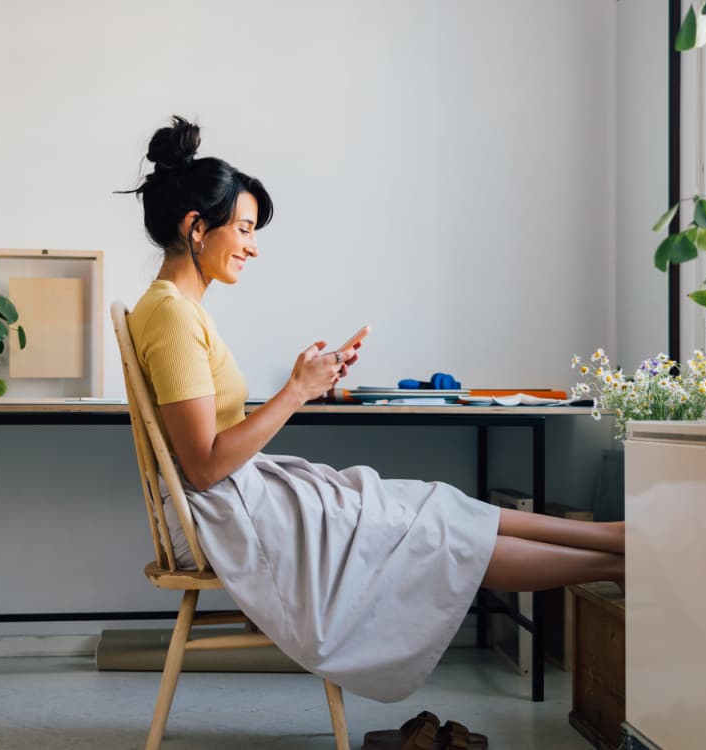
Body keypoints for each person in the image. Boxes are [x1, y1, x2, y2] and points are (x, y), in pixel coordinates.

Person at [123, 116, 624, 703]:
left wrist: (303, 381)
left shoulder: (177, 310)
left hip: (241, 498)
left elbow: (210, 449)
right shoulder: (173, 316)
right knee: (433, 533)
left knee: (433, 505)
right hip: (221, 514)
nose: (253, 246)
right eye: (245, 229)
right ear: (196, 228)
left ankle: (615, 541)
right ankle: (616, 561)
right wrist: (296, 392)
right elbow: (204, 467)